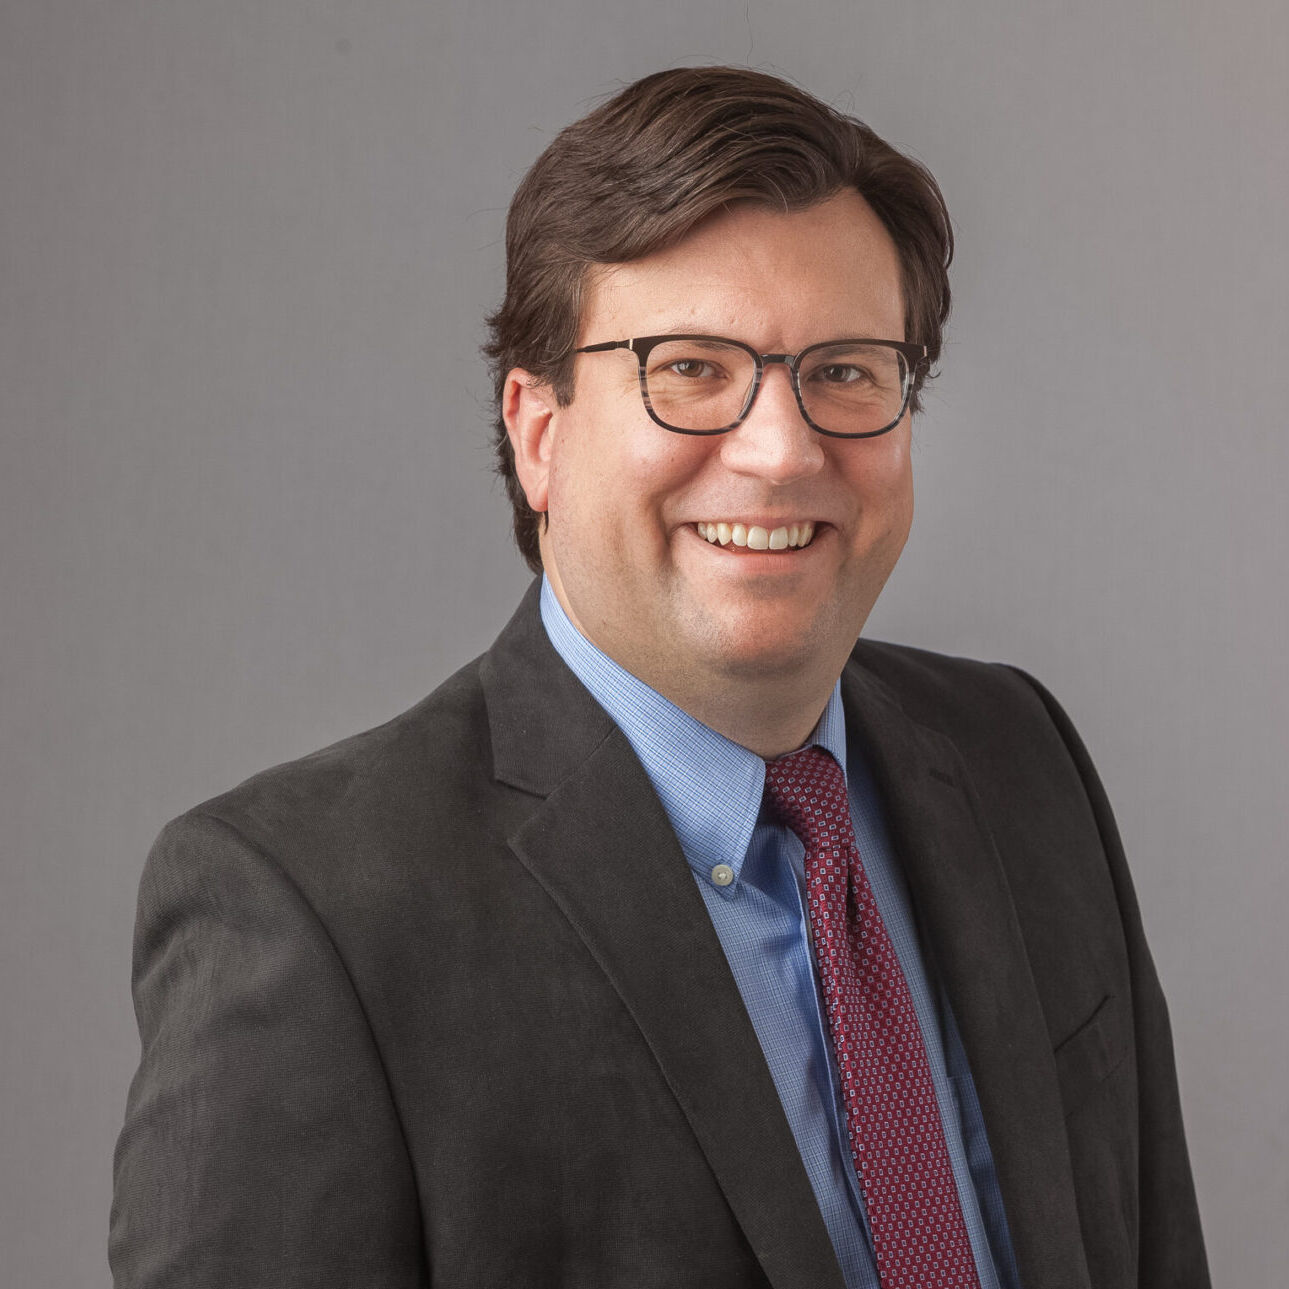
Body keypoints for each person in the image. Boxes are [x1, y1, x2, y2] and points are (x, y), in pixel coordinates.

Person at [110, 66, 1209, 1289]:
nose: (783, 450)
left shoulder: (1018, 756)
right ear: (538, 431)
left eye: (845, 369)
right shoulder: (310, 914)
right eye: (689, 368)